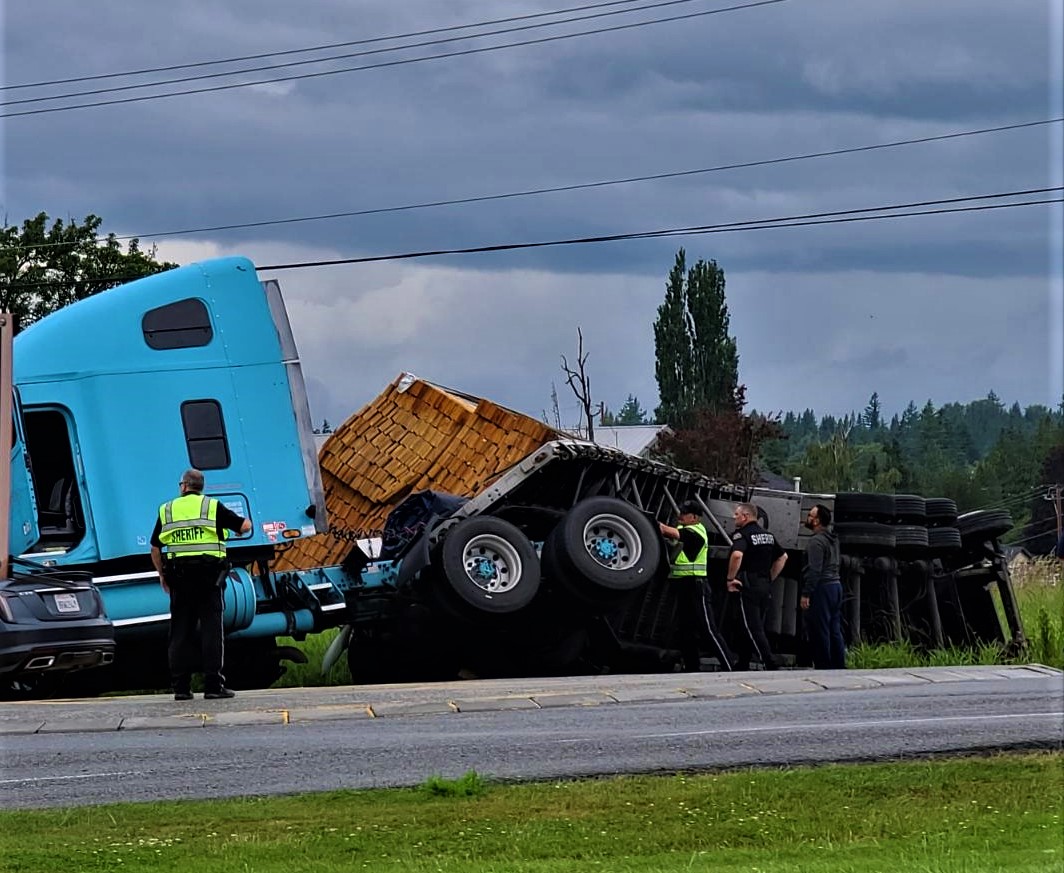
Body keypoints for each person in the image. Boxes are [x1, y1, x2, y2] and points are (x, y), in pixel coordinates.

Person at [150, 468, 251, 701]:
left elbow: (155, 547)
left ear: (184, 486)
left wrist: (162, 575)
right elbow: (244, 527)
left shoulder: (168, 509)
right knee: (211, 631)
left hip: (179, 577)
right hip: (209, 578)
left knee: (180, 632)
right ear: (200, 487)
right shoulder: (212, 507)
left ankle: (181, 689)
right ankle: (214, 687)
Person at [659, 499, 736, 672]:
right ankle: (692, 668)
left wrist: (657, 525)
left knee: (708, 628)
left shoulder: (696, 532)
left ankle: (729, 666)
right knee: (685, 629)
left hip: (696, 585)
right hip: (683, 585)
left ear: (694, 517)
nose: (680, 516)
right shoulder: (683, 529)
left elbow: (671, 533)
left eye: (684, 514)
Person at [726, 502, 787, 671]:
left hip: (748, 584)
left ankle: (769, 661)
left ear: (745, 516)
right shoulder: (768, 536)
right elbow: (783, 557)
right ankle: (743, 662)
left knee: (752, 626)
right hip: (764, 585)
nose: (734, 517)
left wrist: (730, 578)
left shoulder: (742, 535)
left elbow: (737, 555)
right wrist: (770, 578)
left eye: (737, 514)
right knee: (747, 624)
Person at [800, 503, 846, 669]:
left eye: (811, 515)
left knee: (820, 630)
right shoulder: (833, 540)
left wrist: (806, 593)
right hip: (836, 585)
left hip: (822, 587)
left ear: (817, 521)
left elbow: (815, 570)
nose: (808, 517)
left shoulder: (816, 542)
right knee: (834, 629)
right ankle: (838, 665)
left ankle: (823, 665)